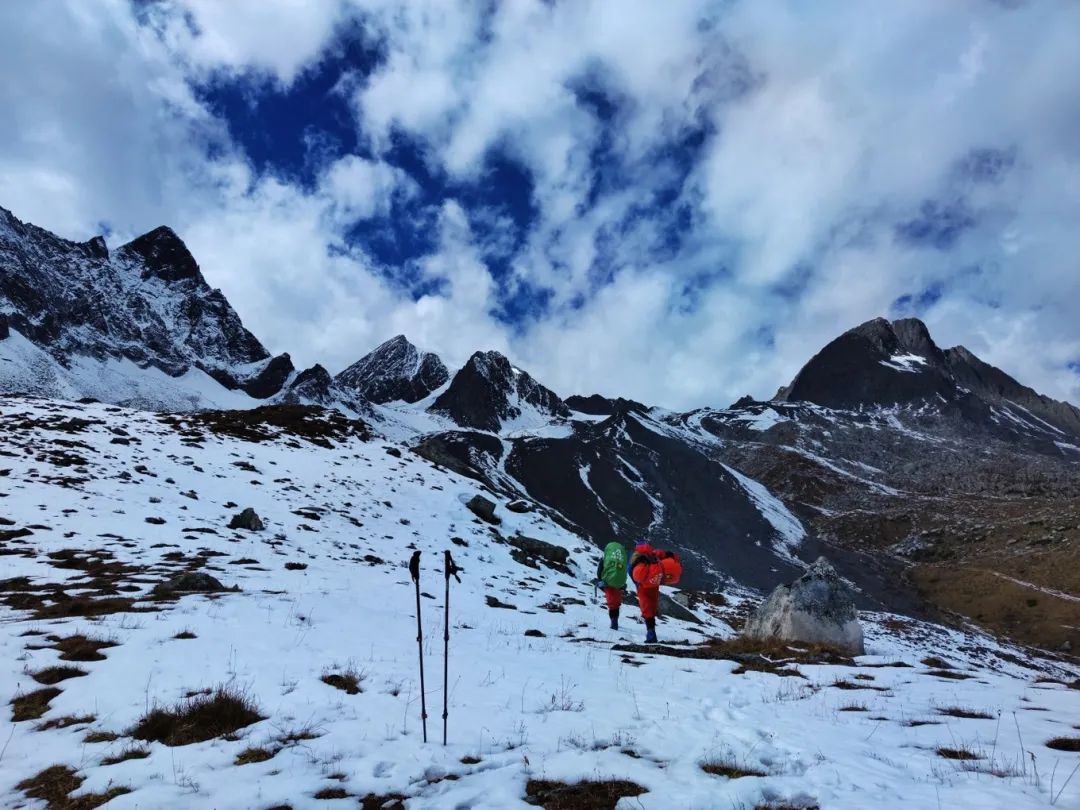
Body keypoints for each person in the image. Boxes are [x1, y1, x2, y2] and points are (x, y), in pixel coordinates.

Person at [628, 541, 682, 643]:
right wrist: (671, 555)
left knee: (647, 610)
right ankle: (652, 631)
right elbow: (667, 554)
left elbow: (634, 574)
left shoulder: (636, 559)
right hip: (654, 586)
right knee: (652, 607)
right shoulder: (654, 554)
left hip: (643, 587)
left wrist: (637, 585)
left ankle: (651, 635)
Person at [595, 541, 628, 630]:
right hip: (620, 582)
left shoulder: (606, 557)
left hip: (608, 581)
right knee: (616, 603)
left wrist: (600, 579)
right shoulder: (622, 558)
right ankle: (615, 621)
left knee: (612, 603)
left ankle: (614, 623)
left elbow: (599, 570)